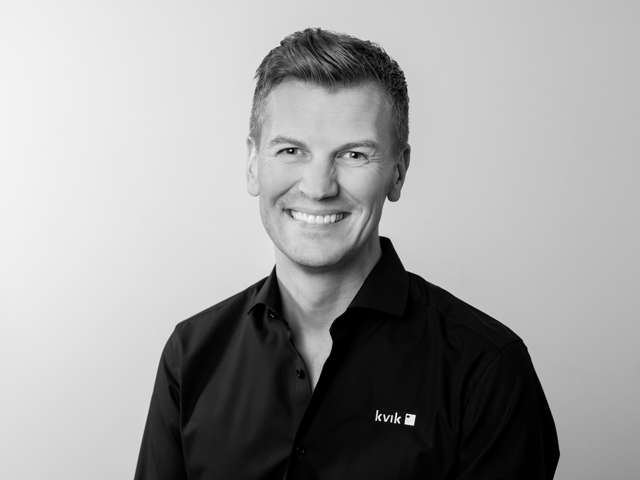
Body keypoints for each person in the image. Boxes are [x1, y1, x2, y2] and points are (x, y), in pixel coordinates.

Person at [134, 27, 560, 479]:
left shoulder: (486, 370)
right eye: (291, 150)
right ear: (253, 164)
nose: (319, 187)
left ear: (398, 172)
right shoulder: (192, 355)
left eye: (354, 155)